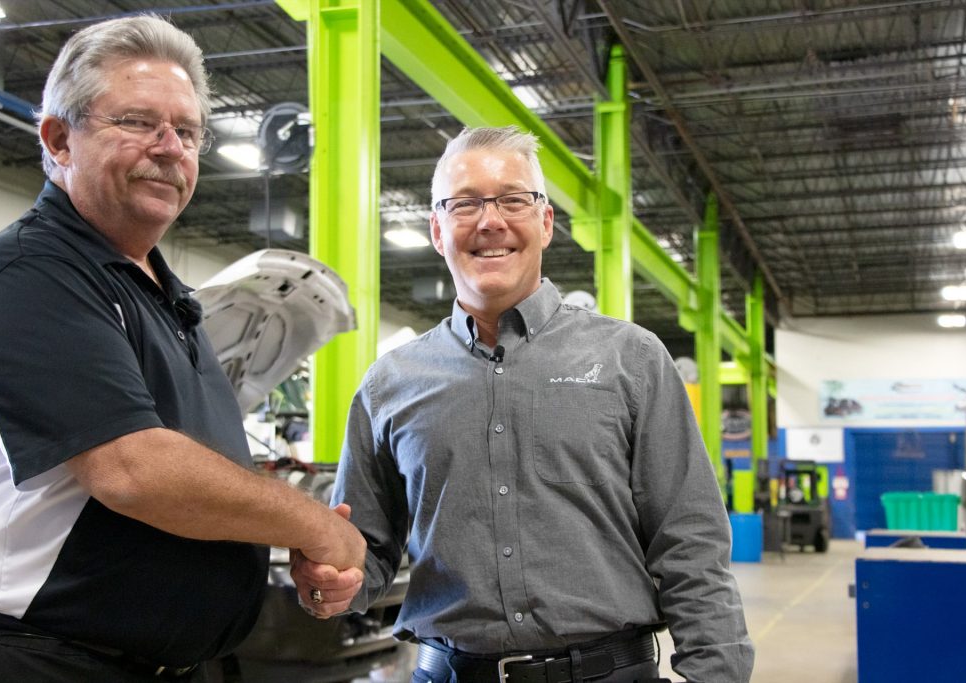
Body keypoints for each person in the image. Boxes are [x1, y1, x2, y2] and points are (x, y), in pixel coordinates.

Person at [0, 14, 364, 682]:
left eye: (187, 130)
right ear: (60, 139)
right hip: (37, 659)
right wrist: (312, 524)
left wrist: (292, 540)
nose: (170, 146)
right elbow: (134, 469)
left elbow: (200, 474)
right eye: (136, 121)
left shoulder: (166, 295)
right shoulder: (31, 274)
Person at [295, 126, 754, 682]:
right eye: (464, 204)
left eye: (513, 199)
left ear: (546, 222)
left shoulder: (631, 359)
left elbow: (691, 542)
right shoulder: (389, 383)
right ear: (437, 230)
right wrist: (333, 583)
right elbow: (367, 551)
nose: (490, 221)